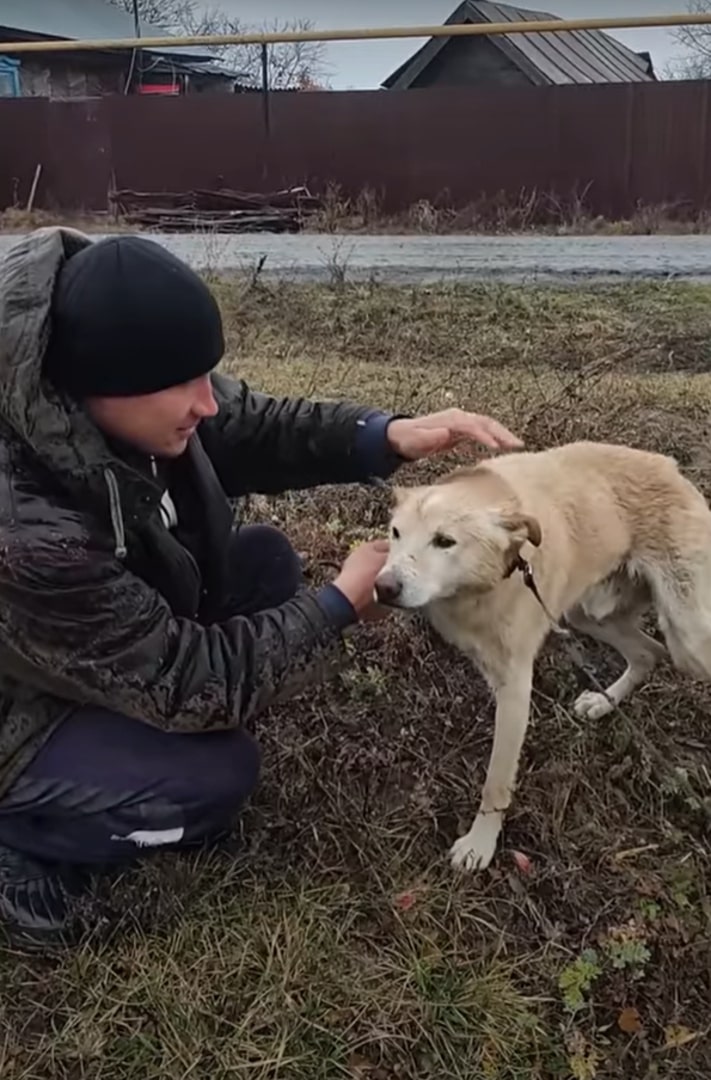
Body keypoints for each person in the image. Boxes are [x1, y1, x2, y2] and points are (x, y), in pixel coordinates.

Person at [0, 228, 522, 946]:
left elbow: (245, 424)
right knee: (212, 781)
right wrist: (336, 605)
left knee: (265, 563)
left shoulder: (90, 376)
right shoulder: (26, 528)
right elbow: (184, 677)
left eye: (203, 375)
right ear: (98, 384)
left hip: (86, 635)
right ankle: (24, 834)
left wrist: (386, 434)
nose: (204, 403)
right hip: (19, 710)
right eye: (180, 384)